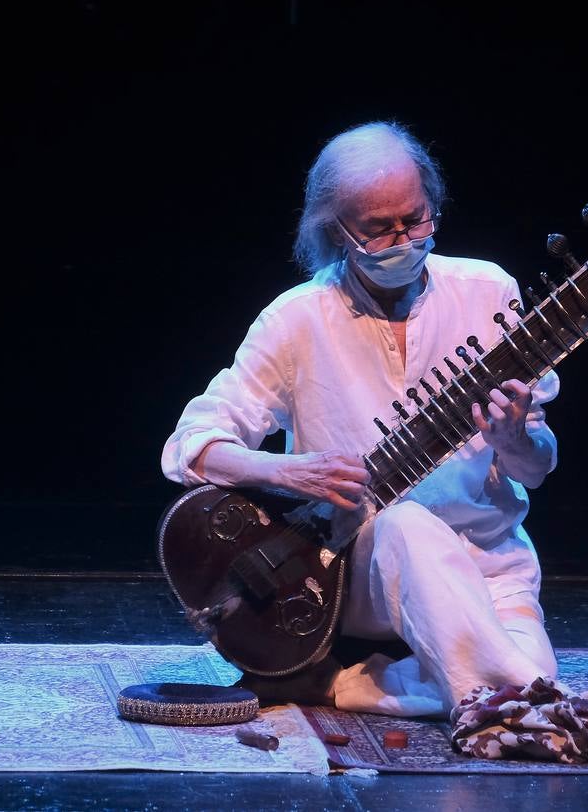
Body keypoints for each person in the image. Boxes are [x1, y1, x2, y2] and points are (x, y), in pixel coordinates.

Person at [161, 121, 561, 718]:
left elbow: (534, 471)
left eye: (416, 218)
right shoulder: (295, 320)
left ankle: (343, 686)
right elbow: (189, 446)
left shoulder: (489, 293)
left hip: (488, 570)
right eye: (378, 228)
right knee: (408, 525)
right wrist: (289, 472)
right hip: (359, 577)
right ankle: (507, 693)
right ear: (336, 231)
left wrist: (517, 441)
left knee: (529, 677)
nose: (403, 238)